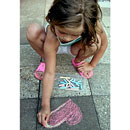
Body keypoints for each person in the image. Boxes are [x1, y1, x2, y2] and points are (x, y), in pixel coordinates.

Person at [26, 0, 108, 127]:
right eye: (63, 32)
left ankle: (78, 61)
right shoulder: (53, 33)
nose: (67, 38)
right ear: (53, 20)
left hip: (74, 48)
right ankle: (48, 59)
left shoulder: (91, 23)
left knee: (95, 41)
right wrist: (45, 105)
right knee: (32, 30)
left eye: (74, 34)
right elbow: (50, 73)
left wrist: (92, 65)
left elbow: (103, 44)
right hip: (53, 45)